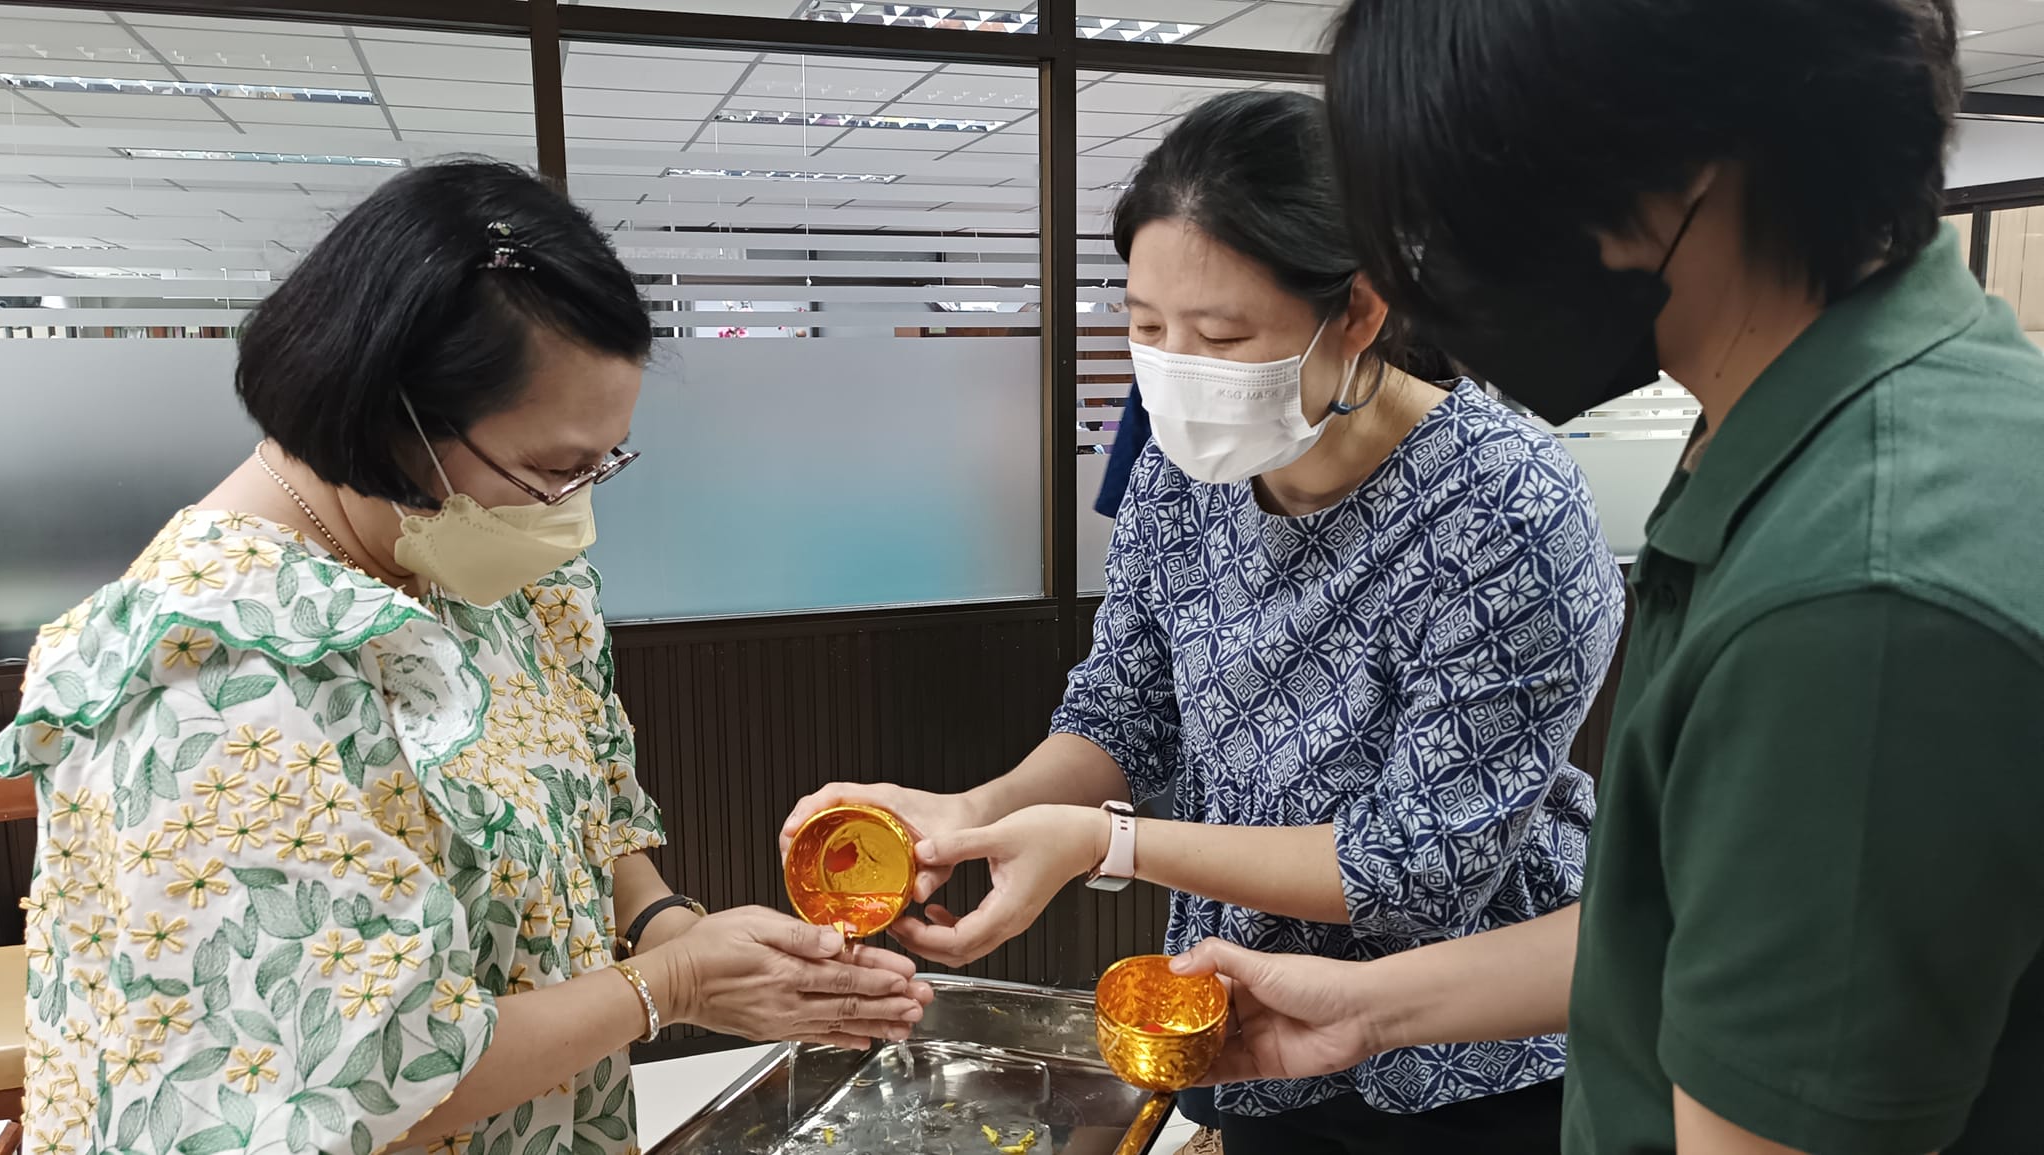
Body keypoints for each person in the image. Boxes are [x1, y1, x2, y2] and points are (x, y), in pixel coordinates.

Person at [1175, 2, 2044, 1153]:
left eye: (1450, 206)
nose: (1418, 281)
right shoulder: (1816, 435)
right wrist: (1368, 1011)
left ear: (1676, 159)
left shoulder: (1856, 599)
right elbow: (1695, 922)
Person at [0, 160, 931, 1155]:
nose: (573, 510)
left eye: (602, 463)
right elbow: (354, 1086)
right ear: (390, 414)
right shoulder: (212, 678)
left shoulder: (464, 556)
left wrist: (664, 924)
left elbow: (588, 810)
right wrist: (672, 985)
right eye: (554, 468)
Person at [784, 91, 1626, 1153]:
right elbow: (1124, 714)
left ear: (1360, 312)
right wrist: (973, 816)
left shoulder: (1505, 508)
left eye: (1221, 335)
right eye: (1145, 328)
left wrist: (1108, 844)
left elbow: (1417, 864)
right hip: (1242, 1018)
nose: (1175, 370)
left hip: (1475, 1061)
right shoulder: (1180, 478)